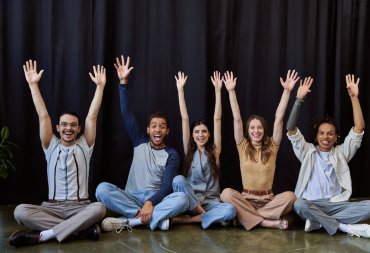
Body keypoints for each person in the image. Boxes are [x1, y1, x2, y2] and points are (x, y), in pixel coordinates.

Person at [9, 60, 107, 247]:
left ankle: (43, 235)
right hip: (52, 208)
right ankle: (81, 230)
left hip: (80, 207)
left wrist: (100, 87)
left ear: (79, 129)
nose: (68, 128)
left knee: (100, 208)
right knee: (20, 212)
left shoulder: (85, 145)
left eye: (72, 125)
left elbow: (92, 116)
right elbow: (43, 115)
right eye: (64, 124)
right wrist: (33, 85)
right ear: (57, 127)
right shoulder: (50, 145)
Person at [95, 55, 189, 232]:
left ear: (167, 131)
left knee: (182, 199)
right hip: (130, 197)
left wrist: (150, 203)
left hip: (156, 200)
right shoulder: (139, 141)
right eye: (154, 126)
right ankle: (151, 219)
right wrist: (123, 82)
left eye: (162, 127)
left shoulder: (172, 154)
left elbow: (167, 186)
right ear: (147, 130)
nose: (157, 130)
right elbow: (126, 112)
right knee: (101, 189)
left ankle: (132, 222)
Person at [286, 74, 370, 238]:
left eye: (330, 134)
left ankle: (318, 221)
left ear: (336, 137)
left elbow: (359, 128)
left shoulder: (342, 152)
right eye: (321, 133)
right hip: (311, 203)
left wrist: (354, 97)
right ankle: (344, 227)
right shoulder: (307, 151)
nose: (325, 137)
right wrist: (298, 99)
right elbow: (290, 128)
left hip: (337, 204)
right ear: (316, 137)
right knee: (299, 204)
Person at [220, 70, 298, 230]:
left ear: (264, 130)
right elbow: (237, 118)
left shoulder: (272, 146)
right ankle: (265, 222)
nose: (256, 131)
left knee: (291, 197)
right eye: (252, 128)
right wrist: (231, 91)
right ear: (247, 131)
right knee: (225, 194)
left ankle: (247, 218)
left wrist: (287, 91)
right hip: (246, 199)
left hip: (268, 200)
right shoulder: (242, 145)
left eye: (259, 127)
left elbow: (279, 119)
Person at [171, 71, 236, 228]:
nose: (200, 135)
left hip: (211, 203)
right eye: (197, 132)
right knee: (178, 180)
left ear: (209, 135)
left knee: (231, 209)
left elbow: (217, 119)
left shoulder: (215, 151)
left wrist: (218, 91)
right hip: (191, 203)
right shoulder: (189, 151)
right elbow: (185, 118)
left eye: (204, 131)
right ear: (192, 135)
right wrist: (180, 90)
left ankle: (192, 220)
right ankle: (205, 217)